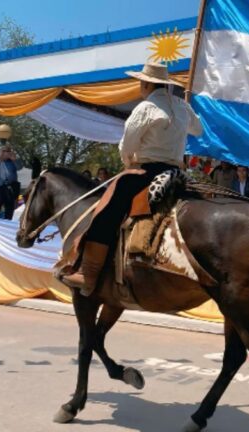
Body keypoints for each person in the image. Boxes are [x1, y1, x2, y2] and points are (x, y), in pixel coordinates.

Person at [61, 62, 202, 295]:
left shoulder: (145, 108)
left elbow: (127, 145)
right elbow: (198, 130)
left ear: (146, 83)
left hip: (148, 173)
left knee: (106, 212)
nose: (140, 86)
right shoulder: (181, 106)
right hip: (178, 173)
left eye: (141, 83)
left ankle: (89, 273)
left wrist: (129, 165)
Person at [0, 145, 23, 219]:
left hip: (11, 187)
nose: (6, 153)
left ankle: (8, 222)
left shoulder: (13, 161)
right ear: (1, 152)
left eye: (8, 151)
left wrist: (14, 160)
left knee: (10, 208)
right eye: (4, 151)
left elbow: (19, 167)